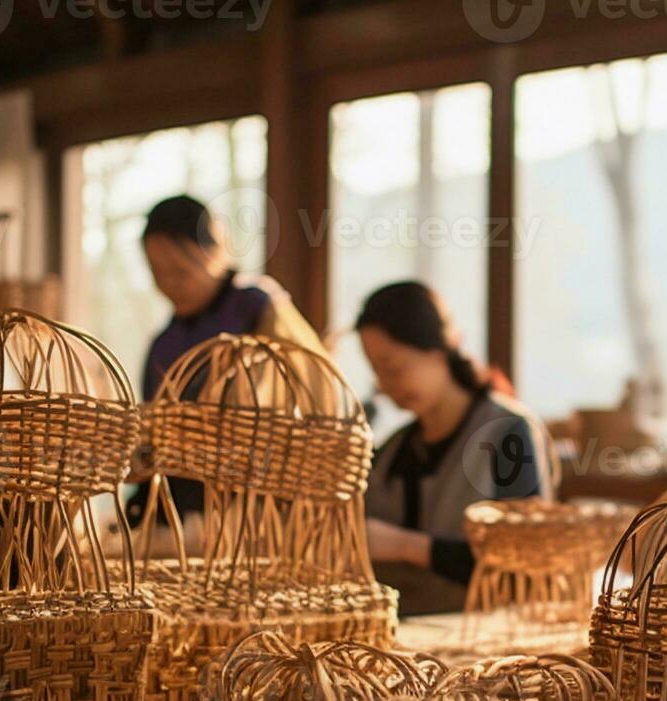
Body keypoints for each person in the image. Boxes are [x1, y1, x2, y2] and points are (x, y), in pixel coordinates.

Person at [125, 195, 323, 529]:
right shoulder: (164, 342)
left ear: (214, 251)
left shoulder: (259, 307)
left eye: (180, 270)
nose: (168, 284)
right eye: (157, 272)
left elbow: (315, 391)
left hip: (255, 505)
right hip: (181, 509)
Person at [356, 281, 553, 615]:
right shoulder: (393, 450)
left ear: (438, 349)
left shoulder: (507, 433)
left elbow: (524, 566)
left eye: (393, 368)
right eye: (377, 372)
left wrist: (405, 547)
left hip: (484, 640)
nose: (385, 386)